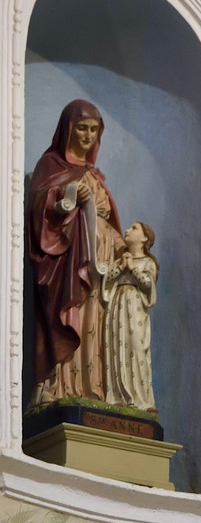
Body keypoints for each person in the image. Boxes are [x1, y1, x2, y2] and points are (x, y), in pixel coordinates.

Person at [27, 99, 124, 403]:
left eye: (93, 130)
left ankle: (92, 387)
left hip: (100, 262)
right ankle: (60, 386)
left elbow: (108, 218)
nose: (87, 135)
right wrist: (64, 194)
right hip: (68, 266)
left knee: (95, 323)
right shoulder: (51, 166)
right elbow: (40, 210)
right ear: (68, 129)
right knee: (72, 318)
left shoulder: (95, 175)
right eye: (81, 128)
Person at [103, 222, 158, 413]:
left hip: (136, 308)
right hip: (117, 305)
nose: (127, 230)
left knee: (136, 348)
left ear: (144, 238)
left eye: (134, 228)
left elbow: (148, 285)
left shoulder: (147, 262)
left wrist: (133, 268)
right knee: (117, 347)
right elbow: (107, 279)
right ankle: (116, 395)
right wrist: (121, 267)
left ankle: (142, 400)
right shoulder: (120, 261)